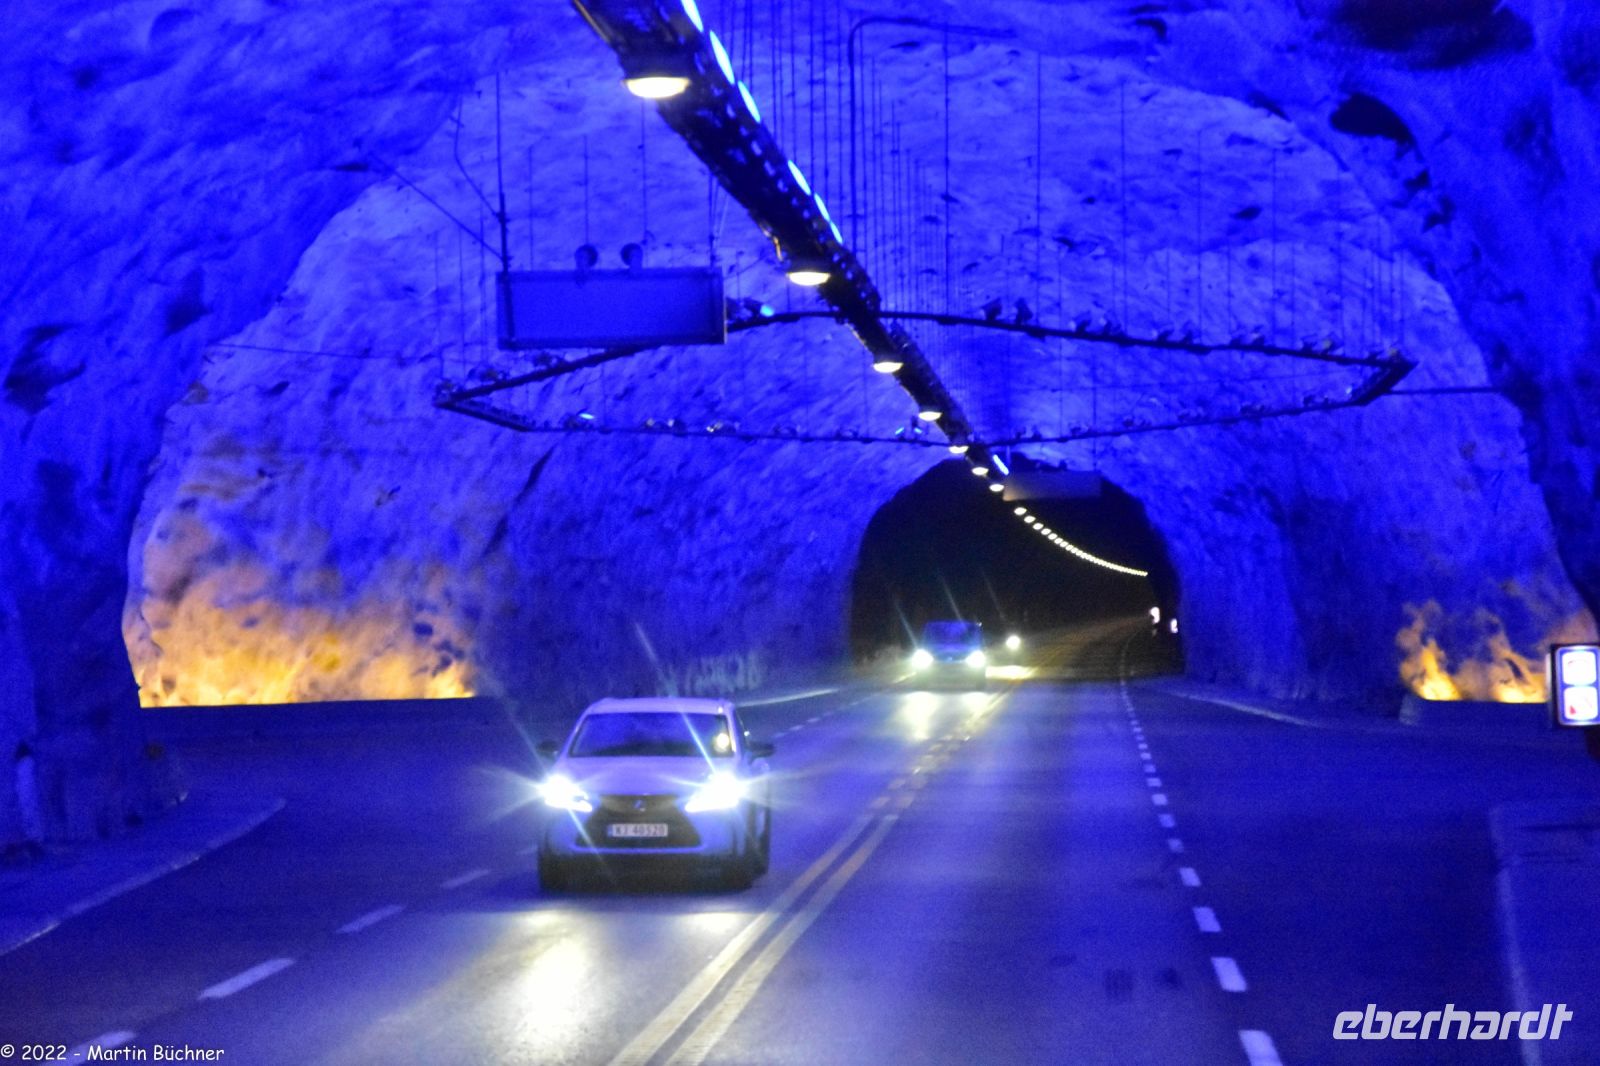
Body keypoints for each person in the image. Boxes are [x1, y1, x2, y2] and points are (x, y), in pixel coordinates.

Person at [13, 740, 45, 858]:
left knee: (30, 820)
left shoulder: (23, 765)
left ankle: (34, 843)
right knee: (32, 819)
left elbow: (24, 784)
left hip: (27, 797)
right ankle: (35, 843)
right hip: (29, 797)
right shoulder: (29, 764)